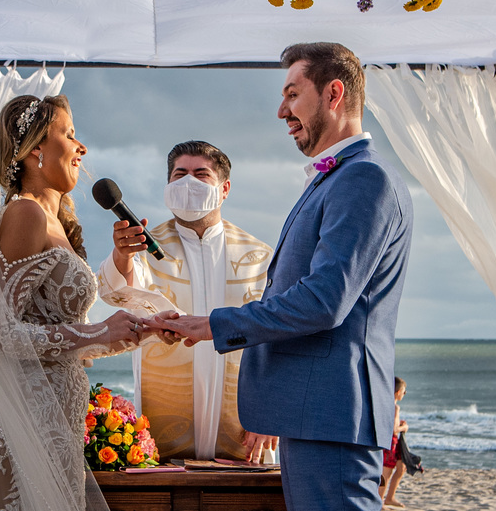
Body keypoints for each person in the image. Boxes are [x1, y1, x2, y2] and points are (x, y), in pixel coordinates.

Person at [149, 42, 414, 511]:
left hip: (331, 417)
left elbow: (323, 301)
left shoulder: (362, 179)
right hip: (314, 416)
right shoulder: (336, 178)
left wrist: (214, 324)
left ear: (334, 94)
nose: (281, 111)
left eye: (293, 95)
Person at [0, 94, 146, 511]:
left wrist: (141, 327)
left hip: (53, 417)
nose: (82, 148)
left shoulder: (57, 220)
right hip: (17, 422)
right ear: (36, 150)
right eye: (70, 134)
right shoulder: (24, 214)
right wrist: (100, 331)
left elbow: (57, 328)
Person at [97, 140, 278, 463]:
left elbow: (276, 336)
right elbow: (117, 292)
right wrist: (122, 255)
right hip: (165, 421)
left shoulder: (259, 256)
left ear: (224, 189)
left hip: (243, 425)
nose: (187, 183)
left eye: (200, 174)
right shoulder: (146, 248)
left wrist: (271, 413)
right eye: (179, 175)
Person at [380, 377, 409, 508]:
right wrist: (404, 427)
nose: (405, 394)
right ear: (398, 392)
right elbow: (394, 429)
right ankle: (380, 501)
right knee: (387, 472)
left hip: (394, 442)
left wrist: (399, 423)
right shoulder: (394, 407)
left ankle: (390, 497)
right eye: (404, 391)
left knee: (401, 467)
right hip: (390, 441)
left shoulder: (385, 404)